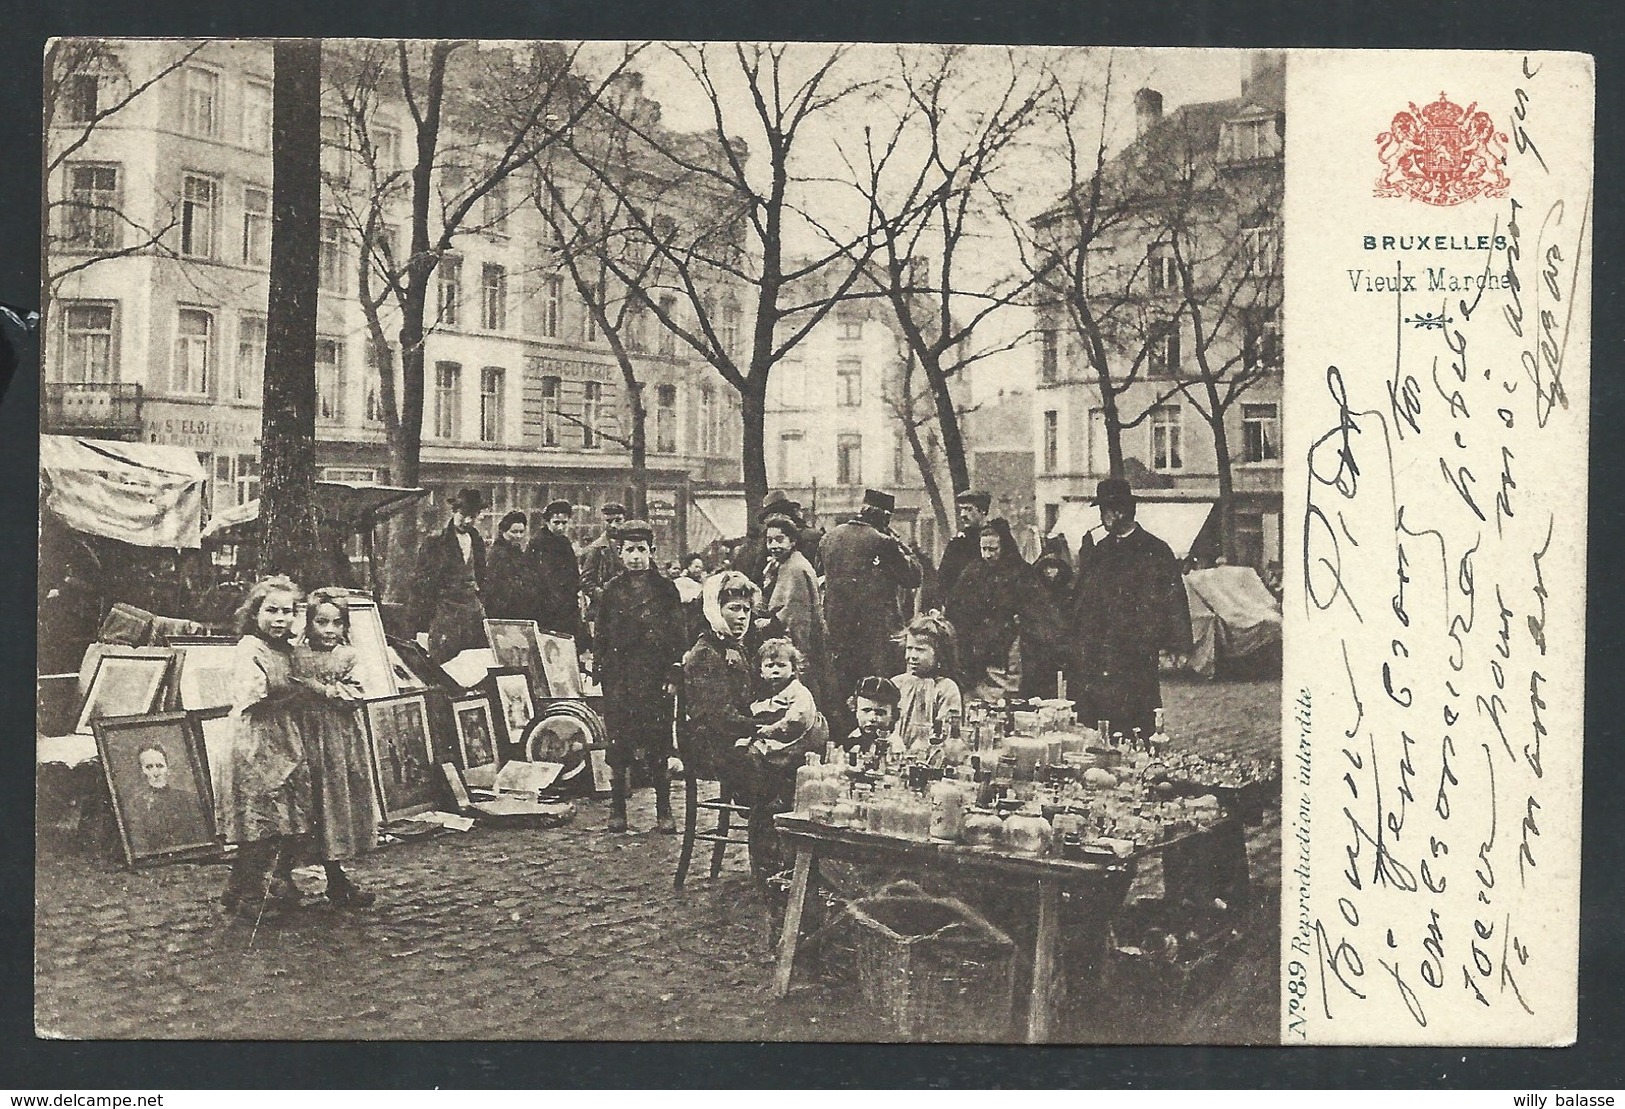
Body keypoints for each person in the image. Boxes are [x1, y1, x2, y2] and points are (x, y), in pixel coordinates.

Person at [215, 575, 312, 921]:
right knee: (258, 821)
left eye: (288, 612)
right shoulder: (250, 649)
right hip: (255, 739)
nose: (280, 619)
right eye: (272, 610)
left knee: (283, 817)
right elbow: (254, 698)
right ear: (255, 611)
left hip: (283, 736)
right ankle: (252, 894)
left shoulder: (286, 649)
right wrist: (301, 692)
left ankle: (240, 887)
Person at [1068, 478, 1193, 738]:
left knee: (1135, 715)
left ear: (1119, 512)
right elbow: (1084, 596)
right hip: (1098, 649)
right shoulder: (1100, 549)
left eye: (1105, 511)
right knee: (1097, 719)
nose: (1102, 518)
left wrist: (1178, 644)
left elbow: (1174, 598)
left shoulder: (1155, 550)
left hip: (1135, 649)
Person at [594, 520, 687, 834]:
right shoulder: (611, 590)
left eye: (641, 550)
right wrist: (600, 666)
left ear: (652, 552)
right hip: (619, 677)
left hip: (653, 677)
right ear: (620, 553)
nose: (635, 556)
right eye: (629, 550)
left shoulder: (665, 589)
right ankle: (618, 809)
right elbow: (601, 632)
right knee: (618, 745)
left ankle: (664, 810)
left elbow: (678, 635)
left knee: (657, 744)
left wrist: (675, 672)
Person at [291, 589, 379, 907]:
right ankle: (286, 879)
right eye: (321, 622)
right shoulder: (296, 656)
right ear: (308, 623)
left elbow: (356, 694)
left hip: (339, 740)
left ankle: (336, 876)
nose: (329, 630)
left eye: (336, 623)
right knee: (306, 804)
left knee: (334, 803)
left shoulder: (349, 656)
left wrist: (321, 689)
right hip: (304, 737)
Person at [819, 489, 922, 732]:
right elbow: (913, 577)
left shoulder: (829, 538)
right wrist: (899, 543)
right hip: (876, 637)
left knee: (846, 697)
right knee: (877, 697)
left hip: (838, 636)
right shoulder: (882, 541)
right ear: (885, 517)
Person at [947, 518, 1041, 701]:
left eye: (993, 549)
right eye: (984, 549)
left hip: (1008, 648)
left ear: (1003, 547)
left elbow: (1034, 610)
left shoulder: (1021, 572)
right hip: (975, 648)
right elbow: (956, 606)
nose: (987, 555)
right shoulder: (972, 571)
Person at [408, 488, 488, 663]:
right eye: (464, 514)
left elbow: (482, 576)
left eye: (473, 516)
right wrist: (424, 620)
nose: (468, 520)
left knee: (474, 662)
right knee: (443, 662)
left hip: (473, 612)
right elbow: (422, 583)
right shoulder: (436, 542)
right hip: (446, 613)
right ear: (454, 512)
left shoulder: (477, 541)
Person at [761, 513, 830, 709]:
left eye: (779, 540)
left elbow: (796, 615)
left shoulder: (795, 568)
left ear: (792, 541)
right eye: (769, 540)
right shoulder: (784, 565)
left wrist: (768, 623)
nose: (774, 545)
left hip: (798, 647)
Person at [745, 638, 828, 783]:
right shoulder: (763, 694)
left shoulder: (797, 690)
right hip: (774, 744)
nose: (775, 670)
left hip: (795, 742)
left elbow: (798, 718)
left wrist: (771, 729)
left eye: (781, 665)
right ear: (761, 671)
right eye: (769, 666)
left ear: (793, 669)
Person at [891, 613, 963, 754]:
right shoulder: (897, 683)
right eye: (909, 648)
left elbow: (946, 733)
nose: (912, 656)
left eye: (920, 650)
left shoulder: (946, 688)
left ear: (939, 654)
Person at [125, 743, 206, 857]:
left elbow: (201, 840)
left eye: (160, 766)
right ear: (141, 770)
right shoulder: (136, 805)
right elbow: (139, 846)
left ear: (168, 768)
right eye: (149, 767)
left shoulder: (188, 800)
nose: (156, 773)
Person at [483, 511, 551, 629]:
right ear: (503, 531)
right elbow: (497, 588)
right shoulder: (497, 554)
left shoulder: (517, 552)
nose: (518, 536)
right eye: (514, 532)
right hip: (505, 614)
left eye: (521, 532)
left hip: (520, 612)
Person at [1023, 553, 1077, 699]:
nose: (1049, 572)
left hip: (1062, 657)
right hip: (1038, 657)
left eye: (1053, 567)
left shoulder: (1070, 596)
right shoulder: (1033, 597)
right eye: (1046, 567)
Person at [529, 499, 583, 637]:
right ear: (547, 522)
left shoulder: (564, 542)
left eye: (564, 523)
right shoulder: (539, 543)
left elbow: (573, 573)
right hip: (546, 607)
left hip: (566, 605)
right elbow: (543, 577)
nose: (560, 527)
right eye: (556, 523)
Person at [936, 489, 991, 601]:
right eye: (962, 509)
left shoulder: (999, 540)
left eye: (968, 509)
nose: (963, 515)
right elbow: (943, 580)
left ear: (983, 511)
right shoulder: (956, 545)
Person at [840, 675, 902, 760]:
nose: (872, 718)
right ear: (855, 711)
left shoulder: (896, 748)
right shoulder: (850, 740)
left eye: (880, 713)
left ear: (893, 716)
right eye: (866, 710)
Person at [579, 502, 627, 609]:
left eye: (618, 520)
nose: (614, 525)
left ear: (624, 520)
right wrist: (604, 596)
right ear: (603, 522)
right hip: (605, 609)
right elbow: (586, 582)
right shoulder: (596, 548)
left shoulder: (631, 545)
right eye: (609, 521)